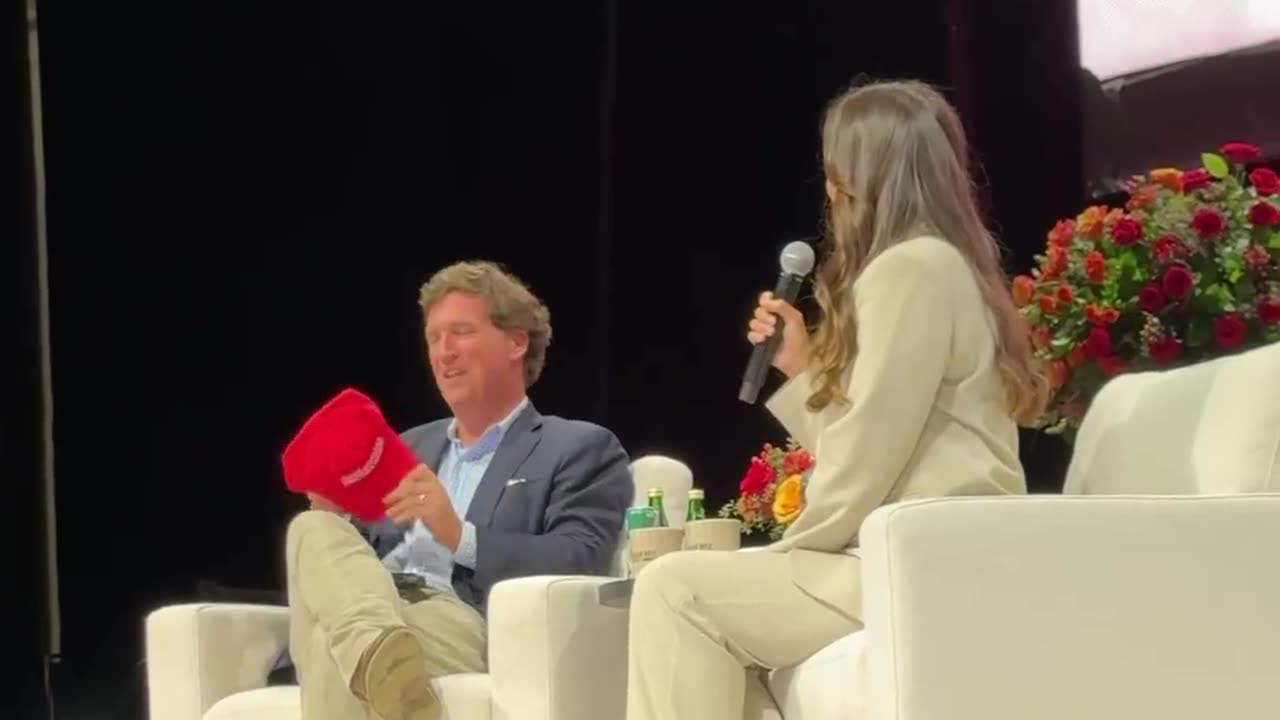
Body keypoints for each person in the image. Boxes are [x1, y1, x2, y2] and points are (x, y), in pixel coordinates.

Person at [624, 79, 1049, 719]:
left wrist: (794, 545)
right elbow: (883, 438)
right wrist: (803, 368)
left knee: (672, 591)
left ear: (863, 177)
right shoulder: (945, 264)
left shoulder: (909, 269)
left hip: (919, 558)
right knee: (709, 632)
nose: (828, 190)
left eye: (835, 171)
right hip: (932, 549)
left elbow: (867, 456)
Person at [287, 260, 633, 720]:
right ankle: (375, 649)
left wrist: (460, 535)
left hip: (459, 618)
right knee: (313, 526)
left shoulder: (578, 446)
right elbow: (353, 559)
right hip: (377, 604)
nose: (443, 352)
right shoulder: (406, 447)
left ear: (515, 342)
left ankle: (373, 650)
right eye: (433, 338)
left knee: (334, 648)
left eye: (461, 332)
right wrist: (341, 516)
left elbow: (580, 561)